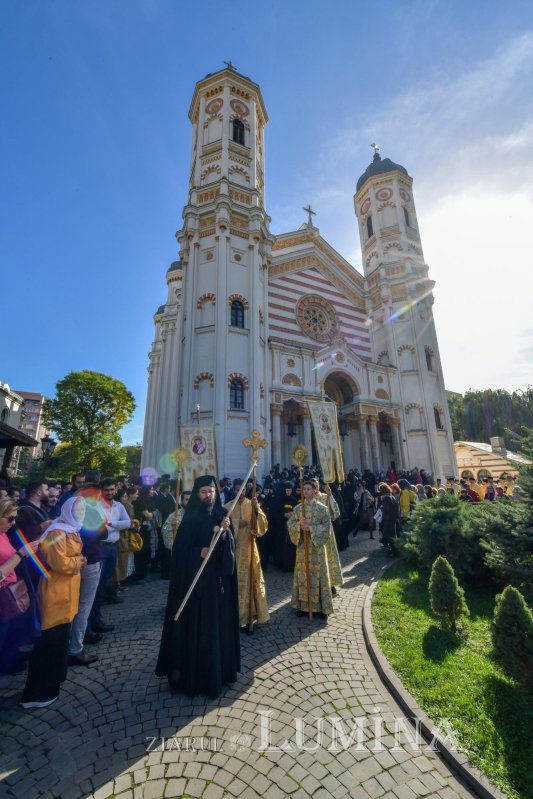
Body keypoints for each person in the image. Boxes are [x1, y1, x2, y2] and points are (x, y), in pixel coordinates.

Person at [156, 476, 240, 697]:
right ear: (197, 494)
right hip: (194, 586)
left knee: (216, 627)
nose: (208, 495)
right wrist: (197, 553)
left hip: (217, 585)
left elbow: (230, 550)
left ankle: (219, 673)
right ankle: (192, 677)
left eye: (211, 491)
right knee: (195, 629)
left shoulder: (222, 515)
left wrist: (225, 534)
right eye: (203, 491)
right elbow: (179, 553)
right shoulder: (190, 518)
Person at [21, 497, 86, 708]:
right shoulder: (57, 532)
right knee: (49, 642)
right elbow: (60, 563)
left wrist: (78, 560)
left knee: (59, 640)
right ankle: (38, 693)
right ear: (68, 510)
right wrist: (79, 561)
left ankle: (53, 681)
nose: (81, 513)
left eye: (83, 510)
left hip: (67, 591)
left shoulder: (70, 529)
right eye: (77, 510)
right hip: (56, 591)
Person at [0, 499, 39, 674]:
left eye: (14, 518)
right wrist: (22, 553)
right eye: (10, 518)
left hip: (8, 597)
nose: (13, 523)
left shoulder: (3, 533)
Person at [287, 481, 333, 619]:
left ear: (314, 491)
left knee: (319, 576)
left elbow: (327, 528)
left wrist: (311, 528)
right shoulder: (298, 508)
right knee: (303, 575)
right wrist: (298, 526)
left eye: (308, 489)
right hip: (303, 548)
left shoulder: (322, 508)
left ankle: (322, 608)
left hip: (317, 549)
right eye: (304, 489)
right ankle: (303, 606)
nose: (306, 491)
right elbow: (290, 524)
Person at [224, 488, 269, 630]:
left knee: (253, 583)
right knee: (236, 584)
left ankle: (251, 616)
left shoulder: (252, 504)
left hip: (250, 549)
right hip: (233, 551)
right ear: (234, 490)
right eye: (237, 490)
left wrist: (257, 509)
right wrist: (237, 524)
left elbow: (263, 526)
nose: (240, 492)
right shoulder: (227, 507)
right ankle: (235, 617)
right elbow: (222, 529)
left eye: (242, 490)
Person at [270, 482, 298, 571]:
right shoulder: (277, 500)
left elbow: (297, 510)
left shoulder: (294, 499)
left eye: (290, 490)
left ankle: (290, 565)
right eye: (287, 490)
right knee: (280, 545)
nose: (289, 492)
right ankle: (280, 564)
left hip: (291, 527)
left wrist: (293, 514)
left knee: (290, 546)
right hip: (280, 527)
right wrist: (283, 514)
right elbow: (273, 513)